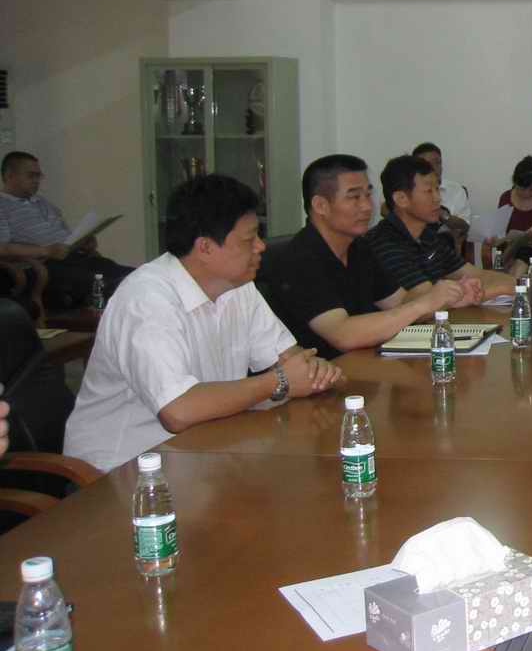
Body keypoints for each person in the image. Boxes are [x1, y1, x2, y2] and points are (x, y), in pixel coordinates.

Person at [63, 175, 342, 473]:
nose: (261, 246)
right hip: (122, 472)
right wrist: (278, 381)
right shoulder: (146, 300)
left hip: (203, 453)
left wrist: (313, 371)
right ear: (205, 247)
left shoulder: (237, 286)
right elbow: (178, 411)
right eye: (249, 239)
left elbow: (290, 359)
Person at [257, 154, 470, 360]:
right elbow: (343, 334)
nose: (368, 206)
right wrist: (425, 304)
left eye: (368, 195)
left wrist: (451, 297)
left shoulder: (359, 247)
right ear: (321, 205)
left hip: (368, 364)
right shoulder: (299, 258)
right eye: (354, 197)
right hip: (326, 375)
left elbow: (400, 303)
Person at [365, 155, 511, 300]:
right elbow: (428, 298)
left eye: (437, 189)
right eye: (429, 191)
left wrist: (519, 285)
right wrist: (503, 289)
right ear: (401, 199)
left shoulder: (429, 235)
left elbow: (475, 274)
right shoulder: (383, 242)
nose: (438, 198)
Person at [0, 150, 132, 309]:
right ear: (10, 176)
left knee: (129, 274)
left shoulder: (43, 203)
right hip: (42, 264)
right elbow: (3, 248)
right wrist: (46, 251)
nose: (36, 181)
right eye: (31, 176)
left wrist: (82, 243)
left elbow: (64, 237)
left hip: (70, 258)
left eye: (38, 176)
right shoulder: (2, 206)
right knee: (103, 283)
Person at [412, 141, 470, 253]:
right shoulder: (408, 190)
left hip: (447, 251)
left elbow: (465, 226)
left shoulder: (455, 190)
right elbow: (386, 209)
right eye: (427, 164)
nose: (434, 168)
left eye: (437, 163)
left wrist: (442, 214)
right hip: (413, 251)